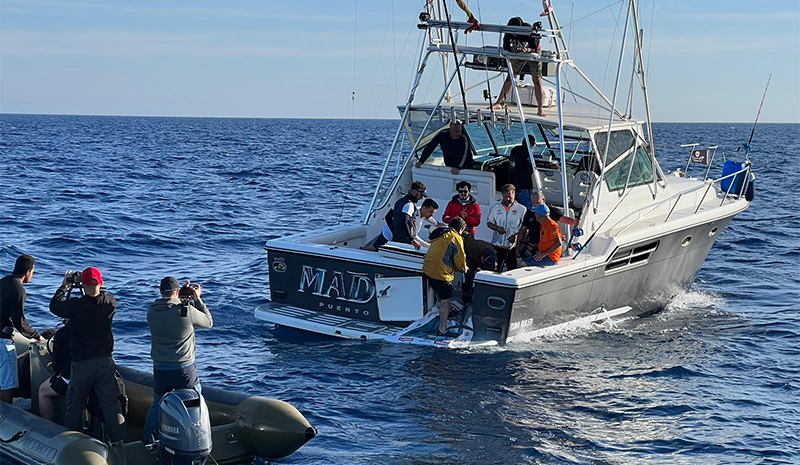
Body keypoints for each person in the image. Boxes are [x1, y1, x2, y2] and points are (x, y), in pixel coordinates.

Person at [50, 267, 126, 448]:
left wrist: (64, 286)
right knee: (111, 406)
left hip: (82, 364)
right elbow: (101, 293)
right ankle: (123, 447)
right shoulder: (110, 302)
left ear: (82, 285)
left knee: (74, 406)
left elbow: (54, 306)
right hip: (105, 362)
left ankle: (71, 447)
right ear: (101, 283)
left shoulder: (76, 305)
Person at [142, 277, 213, 442]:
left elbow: (168, 310)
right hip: (184, 369)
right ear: (177, 291)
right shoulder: (186, 311)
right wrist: (197, 299)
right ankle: (198, 438)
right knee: (196, 399)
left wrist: (181, 299)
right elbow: (208, 322)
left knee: (158, 401)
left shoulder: (151, 311)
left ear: (161, 291)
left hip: (160, 369)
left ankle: (146, 437)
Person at [1, 254, 45, 404]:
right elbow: (20, 322)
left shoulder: (4, 282)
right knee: (7, 382)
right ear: (28, 271)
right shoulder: (18, 290)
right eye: (33, 271)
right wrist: (37, 336)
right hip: (3, 340)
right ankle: (5, 417)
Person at [492, 17, 547, 117]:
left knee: (537, 80)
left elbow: (535, 47)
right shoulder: (508, 32)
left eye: (515, 31)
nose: (513, 33)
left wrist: (528, 50)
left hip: (533, 54)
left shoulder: (529, 30)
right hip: (518, 54)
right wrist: (514, 50)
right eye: (512, 31)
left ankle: (540, 108)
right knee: (510, 78)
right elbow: (506, 46)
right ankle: (498, 103)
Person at [422, 217, 468, 336]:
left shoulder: (439, 233)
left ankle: (435, 315)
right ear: (461, 229)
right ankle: (443, 328)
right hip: (441, 274)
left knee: (438, 293)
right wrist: (463, 268)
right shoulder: (456, 237)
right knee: (445, 300)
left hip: (427, 269)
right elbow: (460, 257)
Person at [515, 190, 578, 263]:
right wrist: (518, 248)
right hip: (534, 246)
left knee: (523, 263)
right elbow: (523, 230)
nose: (535, 206)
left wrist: (574, 222)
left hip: (547, 252)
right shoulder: (531, 215)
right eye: (533, 204)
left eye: (537, 203)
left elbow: (558, 242)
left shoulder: (552, 224)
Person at [363, 198, 441, 251]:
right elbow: (414, 237)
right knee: (375, 248)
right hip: (389, 233)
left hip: (398, 234)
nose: (432, 215)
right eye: (431, 212)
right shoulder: (414, 219)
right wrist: (427, 246)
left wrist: (437, 224)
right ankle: (361, 251)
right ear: (424, 208)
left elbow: (429, 217)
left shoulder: (421, 210)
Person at [486, 184, 527, 272]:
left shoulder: (522, 209)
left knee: (512, 271)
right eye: (505, 197)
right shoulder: (495, 208)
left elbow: (525, 228)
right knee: (495, 271)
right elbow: (489, 222)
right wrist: (497, 228)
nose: (507, 199)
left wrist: (516, 236)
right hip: (497, 245)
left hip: (512, 248)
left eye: (509, 197)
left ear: (514, 194)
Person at [38, 322, 71, 421]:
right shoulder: (90, 331)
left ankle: (48, 424)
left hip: (70, 378)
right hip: (93, 375)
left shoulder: (63, 334)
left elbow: (57, 364)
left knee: (42, 391)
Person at [461, 233, 498, 304]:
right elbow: (467, 236)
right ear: (482, 258)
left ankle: (483, 298)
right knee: (467, 277)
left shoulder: (494, 258)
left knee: (488, 279)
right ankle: (466, 299)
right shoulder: (474, 245)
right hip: (470, 258)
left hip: (483, 257)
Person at [390, 180, 429, 246]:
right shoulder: (409, 204)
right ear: (414, 192)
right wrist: (412, 239)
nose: (421, 198)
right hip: (403, 241)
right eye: (421, 195)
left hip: (397, 238)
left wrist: (394, 231)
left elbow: (388, 216)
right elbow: (404, 221)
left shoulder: (400, 201)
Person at [509, 135, 537, 211]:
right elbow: (530, 168)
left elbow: (512, 165)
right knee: (527, 209)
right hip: (524, 185)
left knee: (515, 209)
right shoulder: (528, 153)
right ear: (531, 143)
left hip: (514, 184)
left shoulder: (514, 150)